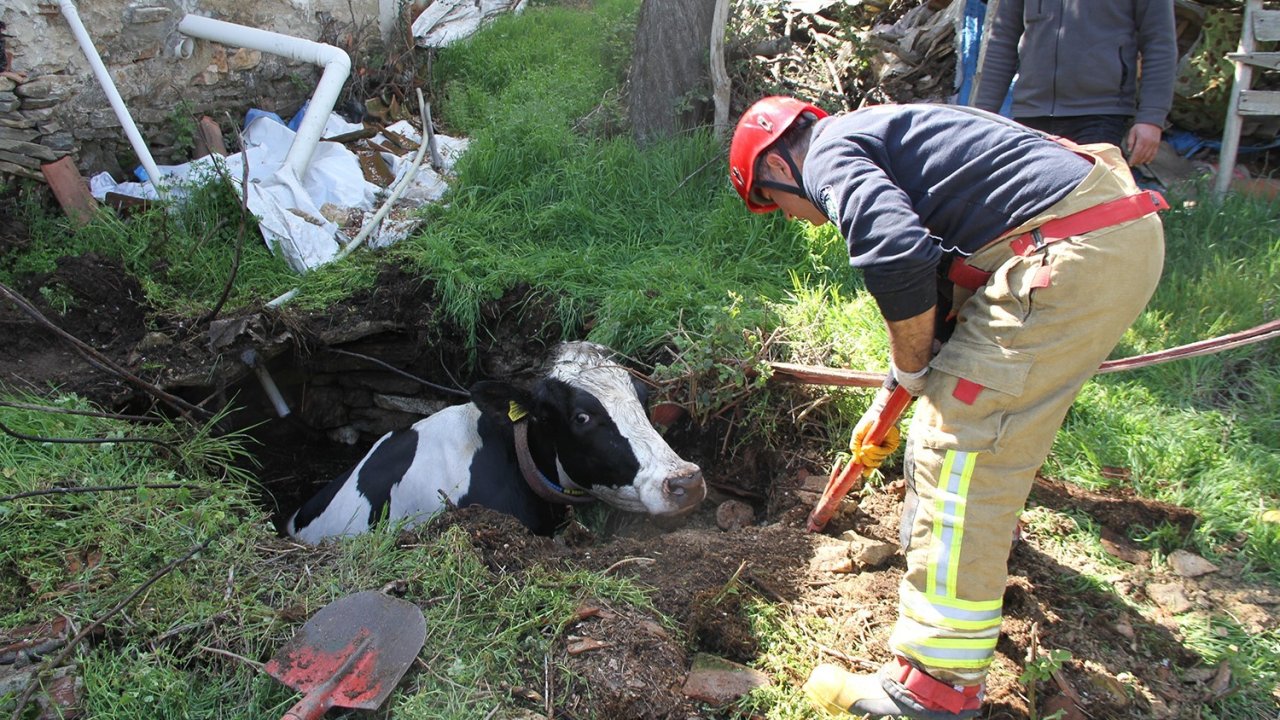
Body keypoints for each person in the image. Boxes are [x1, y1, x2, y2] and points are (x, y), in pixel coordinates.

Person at [728, 96, 1166, 718]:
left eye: (775, 204)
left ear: (775, 166)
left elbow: (897, 254)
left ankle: (932, 688)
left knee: (955, 446)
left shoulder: (824, 153)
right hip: (1106, 234)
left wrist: (911, 371)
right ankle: (985, 533)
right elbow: (941, 299)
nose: (804, 221)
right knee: (989, 418)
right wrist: (893, 391)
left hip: (1068, 250)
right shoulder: (891, 136)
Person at [972, 0, 1178, 167]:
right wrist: (982, 115)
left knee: (1086, 208)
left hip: (1100, 113)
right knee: (1034, 207)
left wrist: (1151, 117)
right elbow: (1002, 40)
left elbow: (1159, 43)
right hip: (1032, 113)